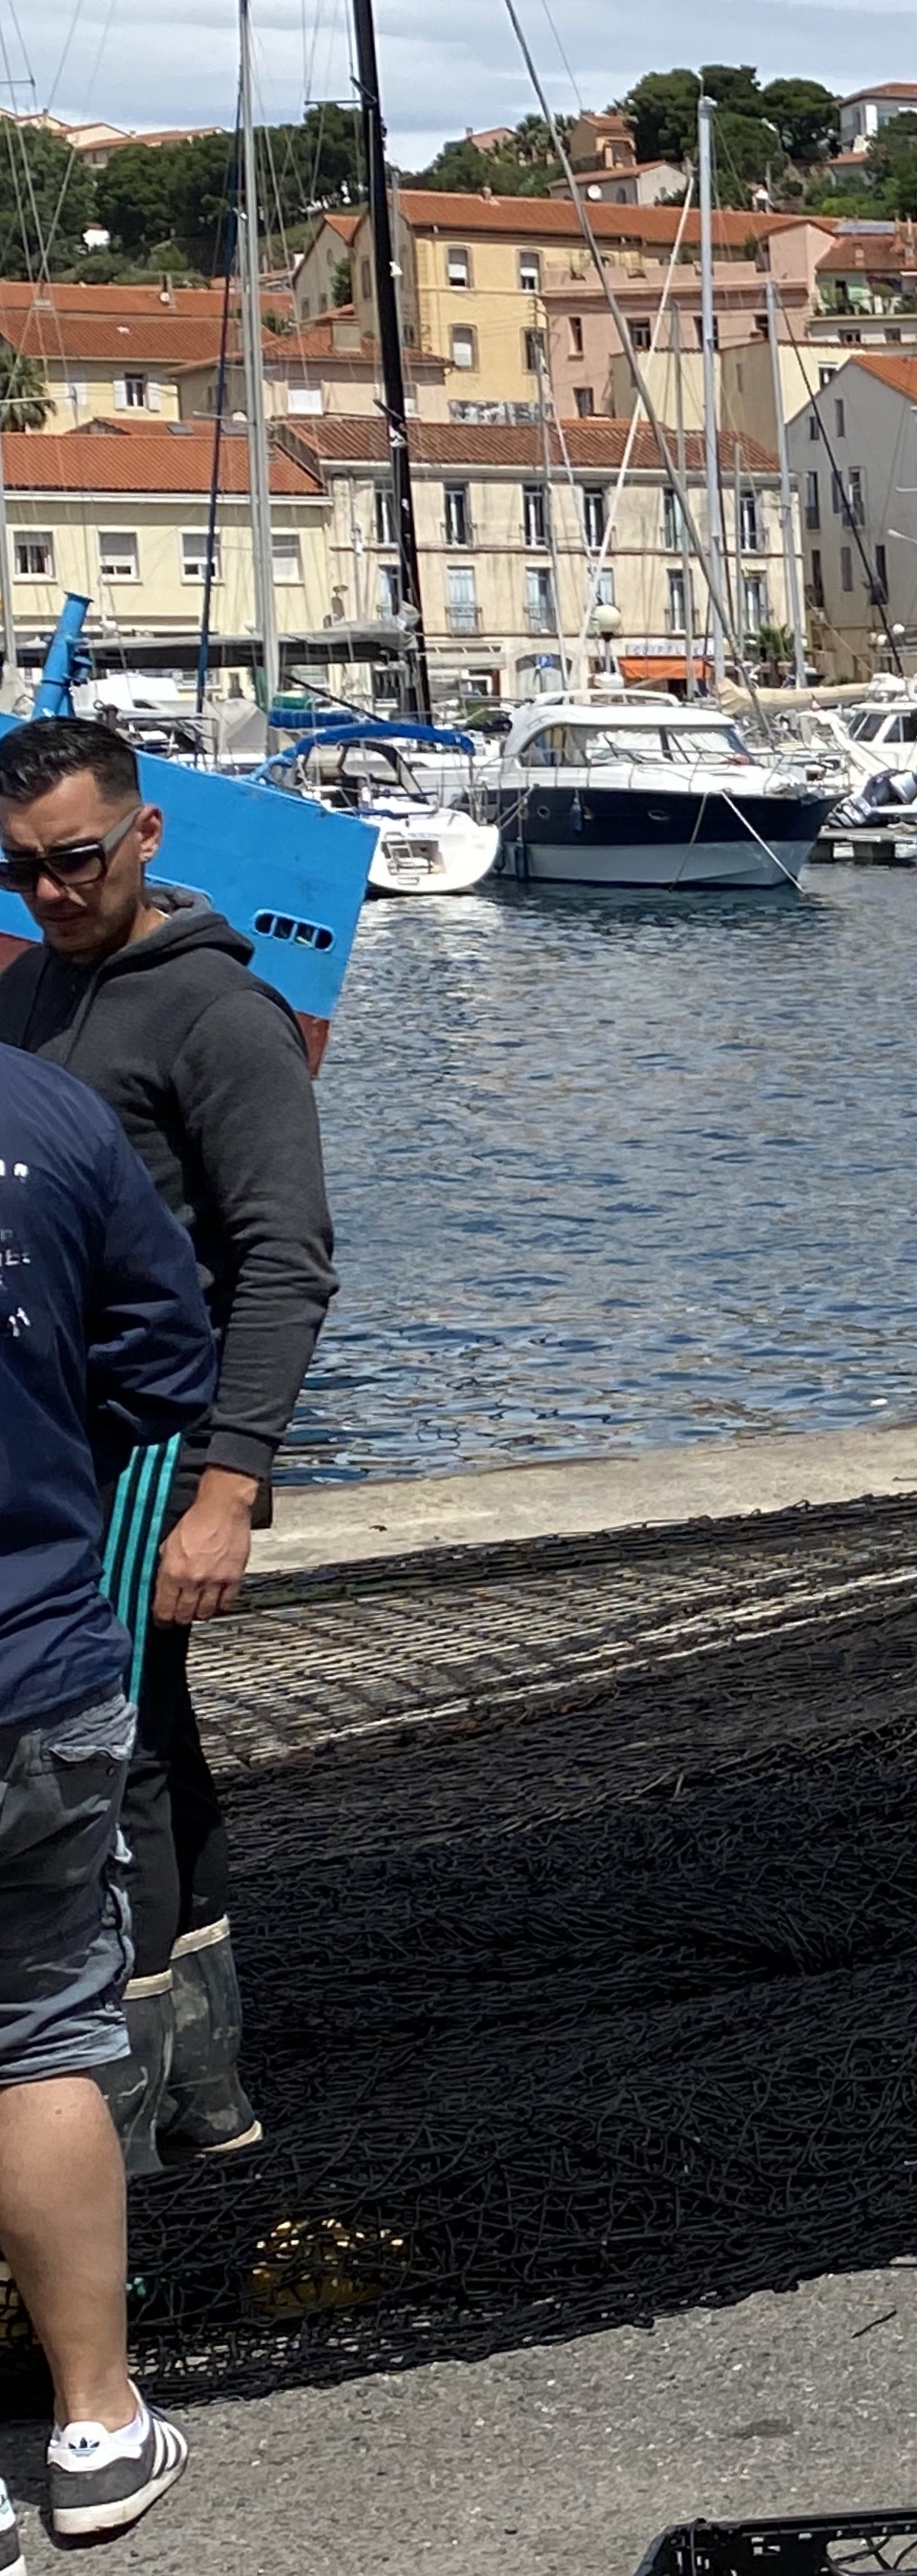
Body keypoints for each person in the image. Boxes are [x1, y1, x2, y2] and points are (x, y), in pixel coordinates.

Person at [0, 714, 340, 2170]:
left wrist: (228, 1485)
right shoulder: (25, 995)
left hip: (161, 1450)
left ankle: (117, 2132)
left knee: (113, 1759)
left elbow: (287, 1258)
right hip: (59, 1450)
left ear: (146, 834)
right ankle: (211, 2099)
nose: (51, 891)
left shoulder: (218, 1016)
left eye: (77, 858)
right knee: (155, 1746)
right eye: (20, 869)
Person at [0, 1037, 218, 2549]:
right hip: (36, 1657)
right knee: (38, 2035)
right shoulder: (52, 1112)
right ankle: (96, 2422)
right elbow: (167, 1352)